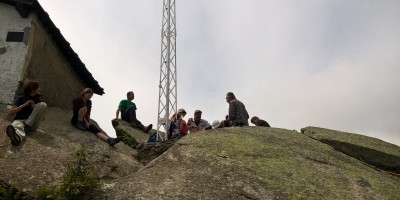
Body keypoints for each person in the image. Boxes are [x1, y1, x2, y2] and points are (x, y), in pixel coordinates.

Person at [6, 80, 47, 146]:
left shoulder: (39, 101)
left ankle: (26, 126)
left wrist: (34, 108)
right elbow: (10, 112)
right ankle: (16, 139)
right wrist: (24, 105)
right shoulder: (21, 99)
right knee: (17, 126)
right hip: (20, 121)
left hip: (33, 124)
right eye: (38, 87)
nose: (40, 89)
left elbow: (43, 119)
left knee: (43, 105)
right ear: (33, 89)